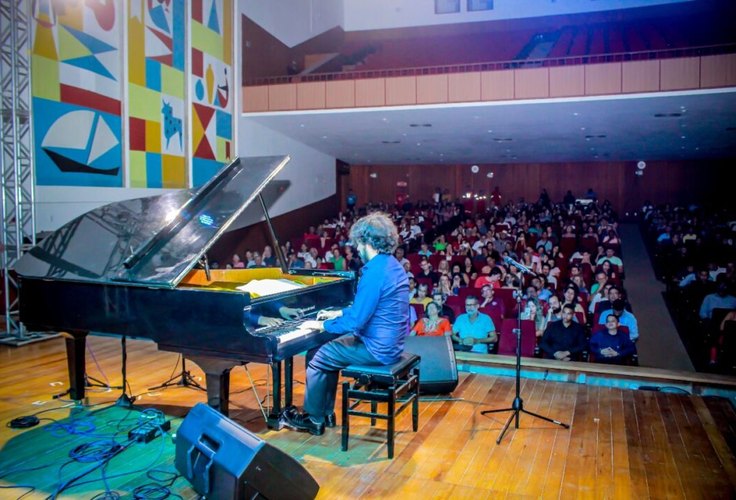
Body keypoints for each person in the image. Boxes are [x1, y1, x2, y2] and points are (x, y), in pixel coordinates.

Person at [281, 212, 409, 436]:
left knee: (318, 355)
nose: (357, 249)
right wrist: (338, 313)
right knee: (323, 352)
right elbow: (369, 309)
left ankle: (314, 419)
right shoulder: (392, 265)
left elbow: (357, 320)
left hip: (377, 349)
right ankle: (326, 413)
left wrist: (322, 326)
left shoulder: (375, 272)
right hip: (390, 343)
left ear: (367, 241)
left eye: (358, 243)